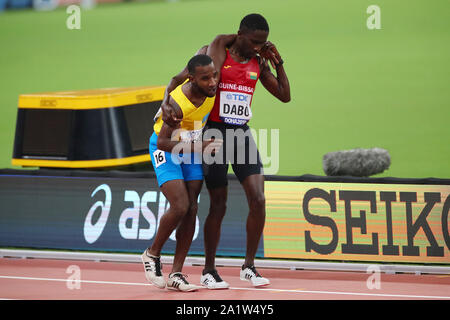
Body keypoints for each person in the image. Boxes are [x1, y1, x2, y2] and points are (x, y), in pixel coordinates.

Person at [161, 13, 290, 289]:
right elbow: (211, 61)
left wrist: (277, 61)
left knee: (258, 199)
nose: (258, 47)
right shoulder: (220, 49)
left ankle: (249, 266)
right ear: (240, 35)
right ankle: (209, 270)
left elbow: (284, 94)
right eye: (254, 41)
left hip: (241, 133)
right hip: (214, 134)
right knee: (218, 203)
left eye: (263, 43)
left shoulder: (258, 62)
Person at [141, 54, 222, 292]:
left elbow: (216, 42)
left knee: (192, 208)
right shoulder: (178, 103)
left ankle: (176, 273)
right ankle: (151, 254)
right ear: (192, 79)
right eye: (205, 78)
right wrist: (200, 147)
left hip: (190, 148)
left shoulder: (209, 90)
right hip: (166, 149)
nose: (212, 82)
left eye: (214, 76)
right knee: (180, 205)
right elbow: (165, 142)